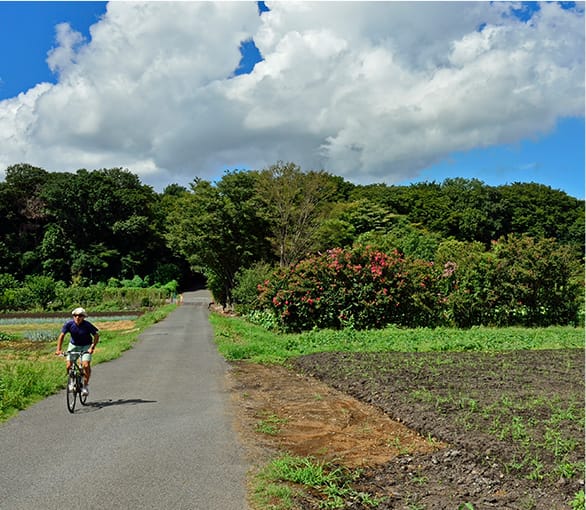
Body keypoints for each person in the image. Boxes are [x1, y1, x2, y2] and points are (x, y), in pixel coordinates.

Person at [55, 307, 100, 396]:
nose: (77, 317)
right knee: (68, 365)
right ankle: (71, 381)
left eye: (80, 316)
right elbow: (62, 336)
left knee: (85, 365)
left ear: (83, 317)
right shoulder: (69, 324)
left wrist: (92, 347)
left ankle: (85, 386)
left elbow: (96, 335)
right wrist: (58, 349)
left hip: (86, 346)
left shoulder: (87, 325)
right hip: (74, 345)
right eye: (75, 315)